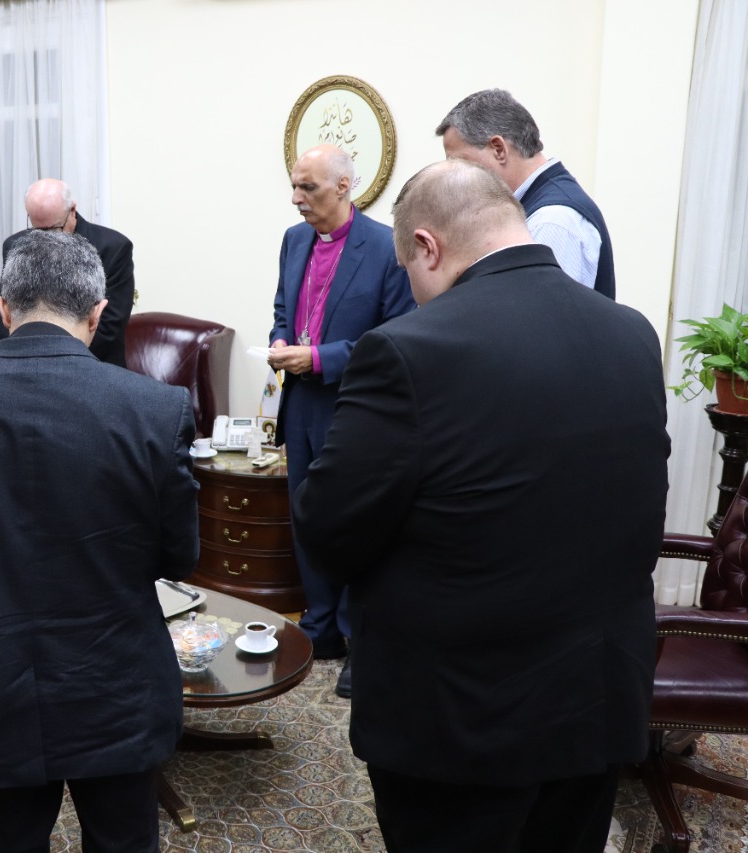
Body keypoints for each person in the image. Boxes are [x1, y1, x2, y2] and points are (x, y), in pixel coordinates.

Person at [292, 160, 668, 852]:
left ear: (427, 246)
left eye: (408, 271)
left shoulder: (406, 351)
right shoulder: (632, 333)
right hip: (595, 699)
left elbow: (328, 528)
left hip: (461, 719)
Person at [0, 229, 200, 852]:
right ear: (97, 313)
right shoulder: (155, 409)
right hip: (115, 682)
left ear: (3, 309)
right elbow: (178, 556)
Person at [266, 144, 415, 696]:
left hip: (355, 405)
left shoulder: (386, 245)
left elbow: (396, 338)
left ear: (344, 187)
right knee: (306, 515)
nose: (296, 198)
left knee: (355, 522)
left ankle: (359, 639)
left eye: (308, 187)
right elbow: (283, 308)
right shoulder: (293, 239)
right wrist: (280, 340)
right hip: (301, 403)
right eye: (294, 185)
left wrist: (320, 358)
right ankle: (321, 625)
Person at [436, 88, 616, 298]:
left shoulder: (552, 221)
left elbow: (539, 311)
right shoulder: (535, 210)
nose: (456, 175)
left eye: (460, 162)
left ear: (499, 149)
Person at [0, 178, 135, 366]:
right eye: (38, 229)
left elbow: (110, 325)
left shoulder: (113, 247)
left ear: (72, 210)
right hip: (28, 363)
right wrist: (30, 352)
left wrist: (53, 355)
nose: (46, 237)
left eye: (54, 228)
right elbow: (3, 308)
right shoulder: (15, 245)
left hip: (94, 366)